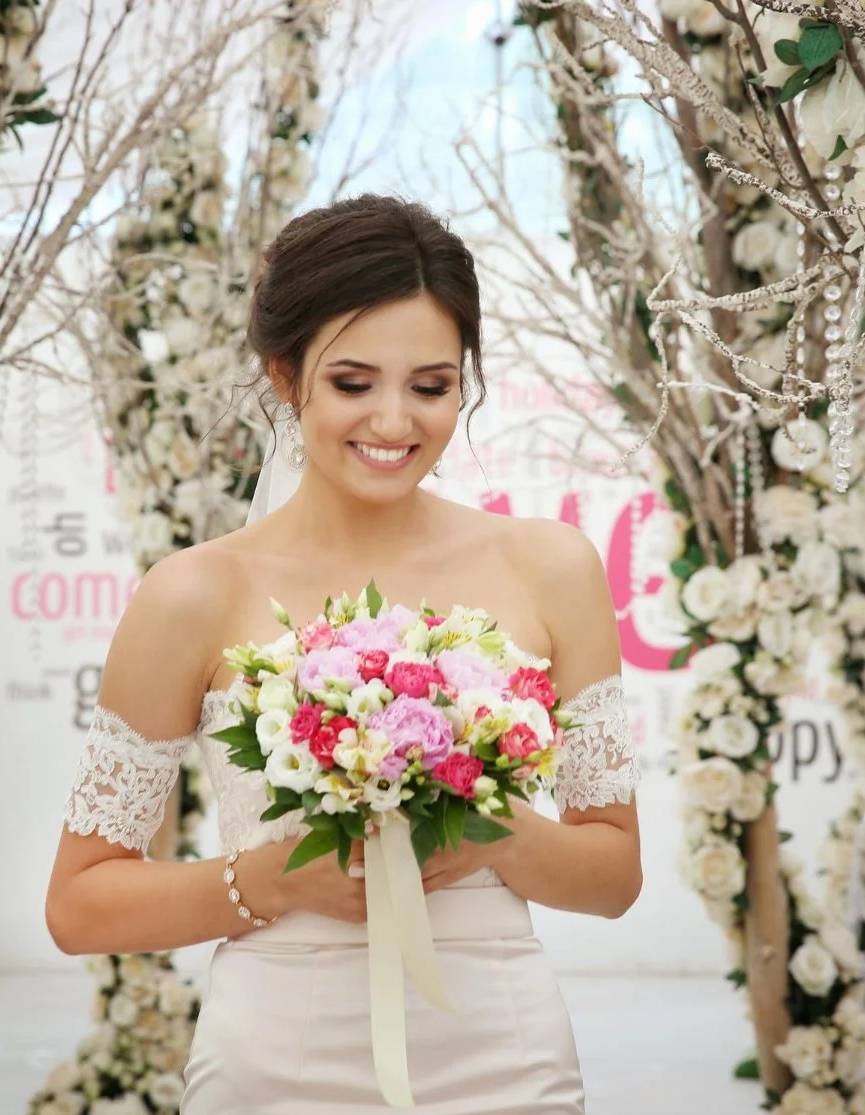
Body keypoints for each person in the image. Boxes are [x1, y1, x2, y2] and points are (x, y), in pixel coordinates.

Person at [45, 194, 643, 1114]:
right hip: (279, 1052)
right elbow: (80, 904)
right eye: (353, 383)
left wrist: (490, 827)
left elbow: (613, 876)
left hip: (503, 1049)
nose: (394, 421)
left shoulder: (549, 566)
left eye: (432, 386)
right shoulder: (195, 593)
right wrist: (276, 878)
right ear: (286, 376)